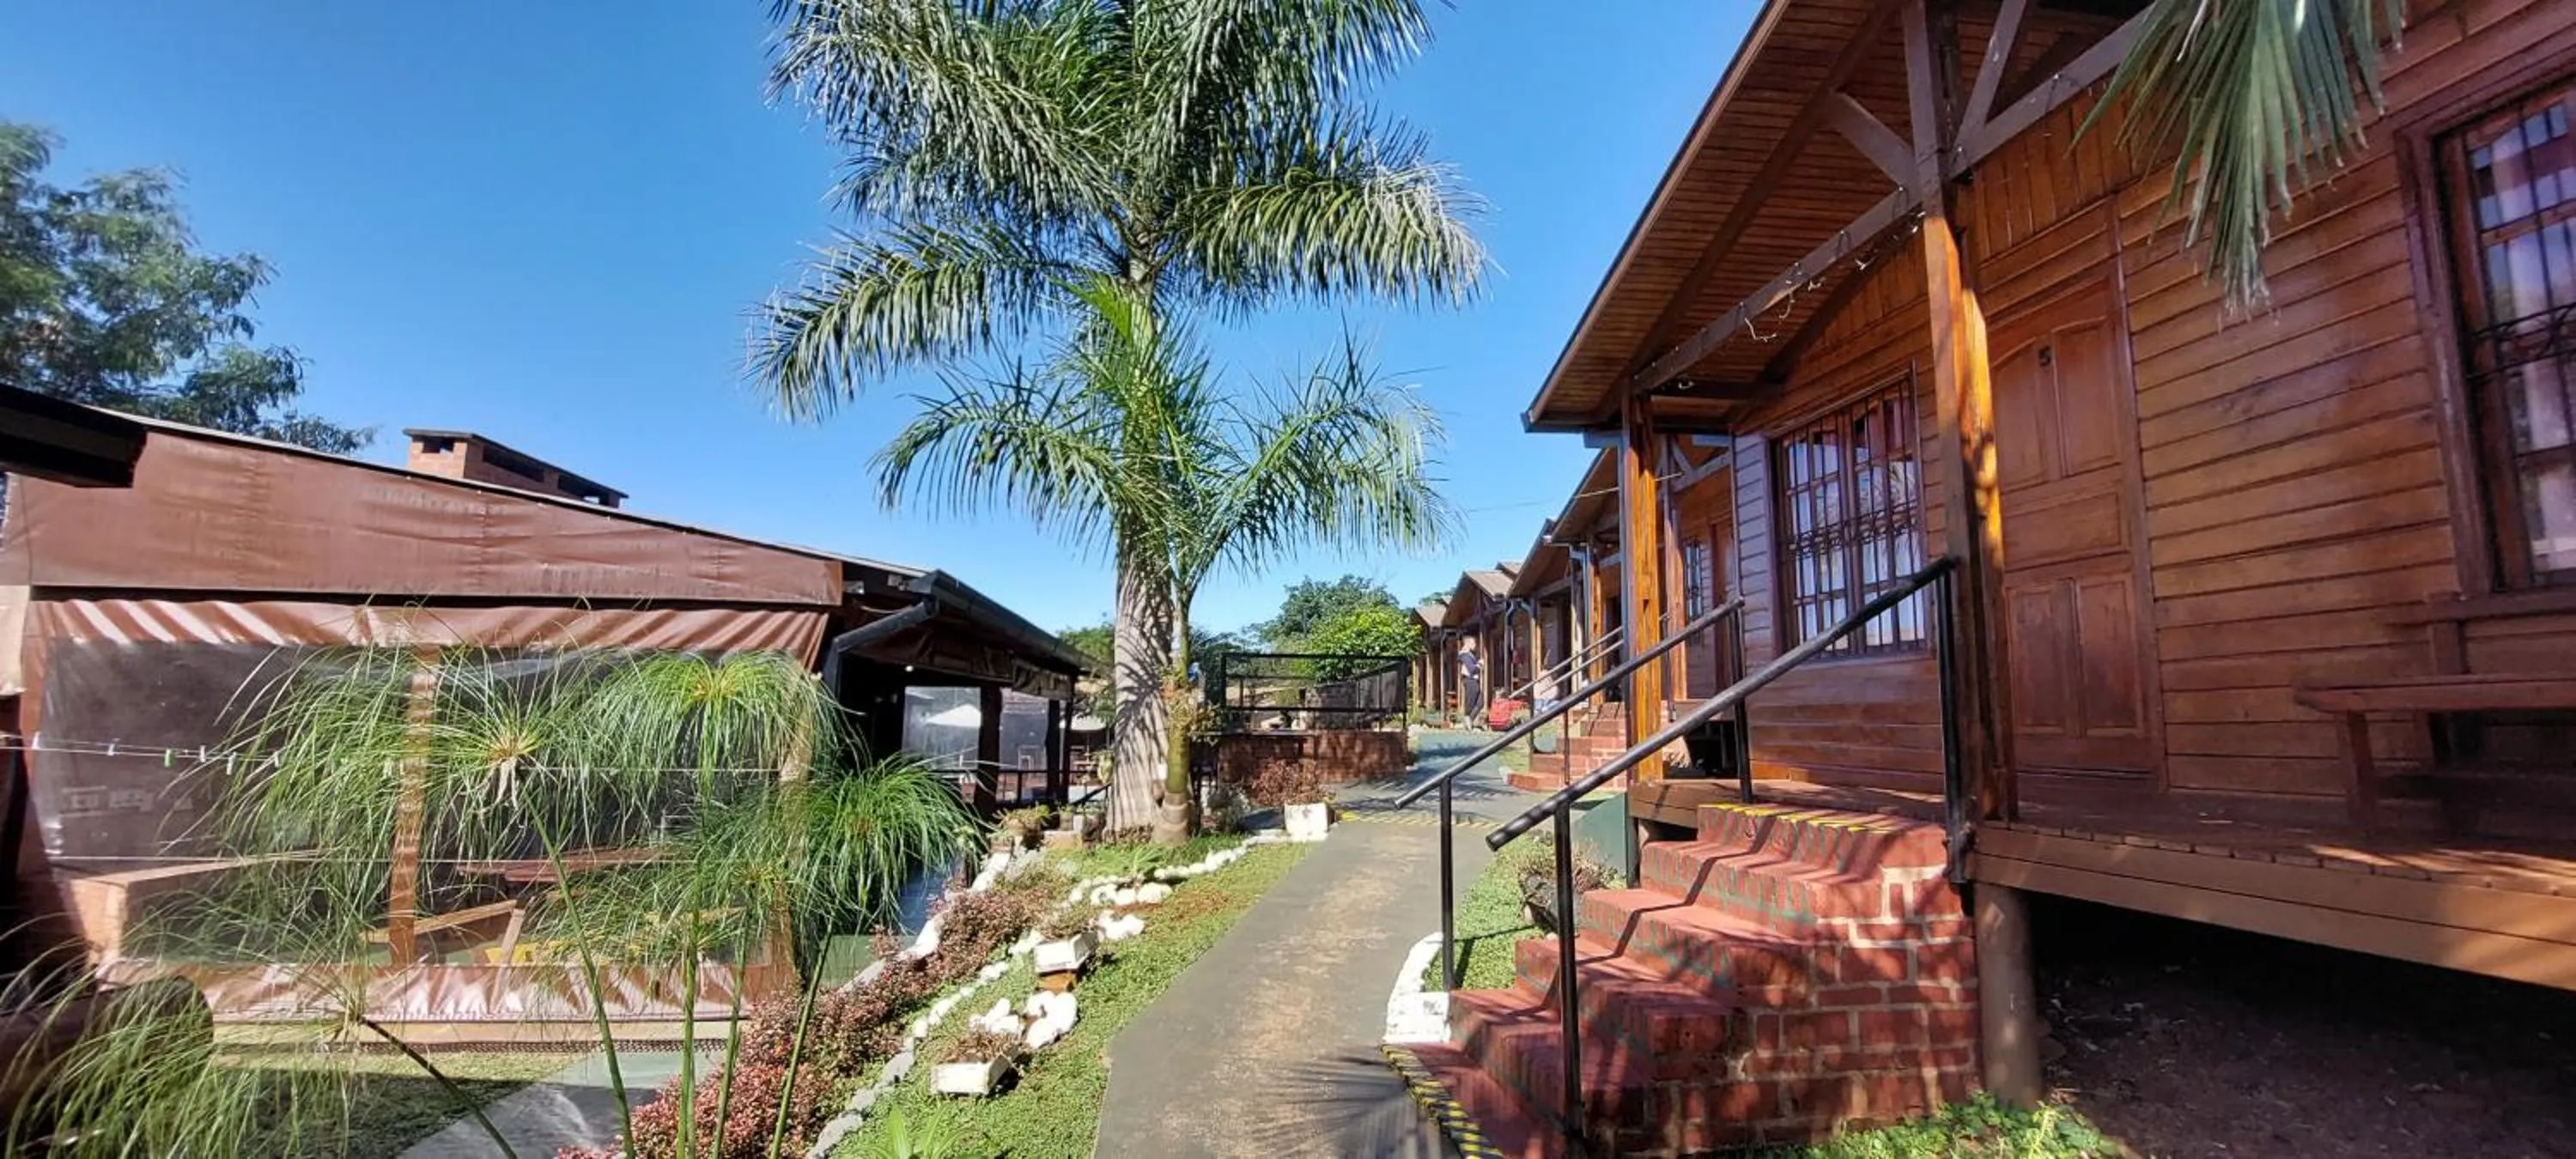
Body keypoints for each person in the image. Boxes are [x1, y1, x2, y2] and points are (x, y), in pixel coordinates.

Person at [1456, 638, 1484, 727]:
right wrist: (1479, 664)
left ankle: (1469, 721)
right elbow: (1472, 669)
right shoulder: (1465, 655)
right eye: (1473, 643)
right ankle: (1467, 717)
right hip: (1469, 680)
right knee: (1471, 700)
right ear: (1468, 644)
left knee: (1480, 702)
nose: (1475, 645)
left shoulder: (1470, 655)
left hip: (1474, 680)